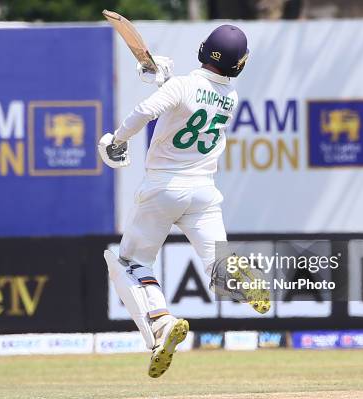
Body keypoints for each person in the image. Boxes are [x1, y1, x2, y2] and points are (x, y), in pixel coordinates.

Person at [98, 25, 269, 378]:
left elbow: (146, 111)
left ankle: (161, 320)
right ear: (239, 64)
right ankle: (230, 271)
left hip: (164, 187)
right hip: (204, 191)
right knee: (215, 264)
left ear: (204, 50)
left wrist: (117, 141)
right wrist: (164, 78)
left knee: (130, 263)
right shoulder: (230, 96)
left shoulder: (182, 86)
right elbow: (193, 98)